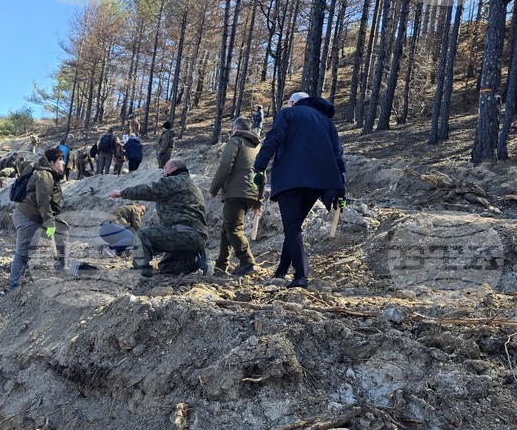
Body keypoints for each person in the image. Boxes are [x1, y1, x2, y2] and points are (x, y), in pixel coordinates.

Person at [253, 91, 346, 289]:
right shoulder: (327, 122)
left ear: (293, 103)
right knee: (293, 227)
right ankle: (281, 271)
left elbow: (273, 139)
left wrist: (259, 168)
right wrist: (341, 190)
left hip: (291, 179)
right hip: (317, 183)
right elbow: (338, 155)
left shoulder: (288, 113)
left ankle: (301, 275)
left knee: (292, 228)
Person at [110, 158, 207, 277]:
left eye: (165, 168)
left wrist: (122, 193)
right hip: (197, 238)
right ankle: (196, 261)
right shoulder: (193, 186)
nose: (162, 171)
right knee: (167, 267)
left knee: (142, 236)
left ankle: (140, 273)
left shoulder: (173, 181)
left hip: (183, 234)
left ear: (173, 169)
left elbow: (149, 190)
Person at [9, 148, 69, 290]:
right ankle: (15, 288)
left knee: (62, 232)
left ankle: (61, 271)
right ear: (51, 162)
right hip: (27, 217)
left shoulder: (50, 174)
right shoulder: (44, 176)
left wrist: (56, 221)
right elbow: (43, 202)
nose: (63, 163)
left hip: (37, 216)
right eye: (60, 160)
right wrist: (50, 223)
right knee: (23, 254)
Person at [209, 117, 262, 277]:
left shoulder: (236, 140)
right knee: (226, 228)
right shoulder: (257, 147)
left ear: (236, 129)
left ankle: (247, 262)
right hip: (251, 192)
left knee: (233, 228)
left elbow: (226, 165)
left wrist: (214, 188)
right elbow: (261, 173)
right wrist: (258, 200)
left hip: (236, 192)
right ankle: (221, 266)